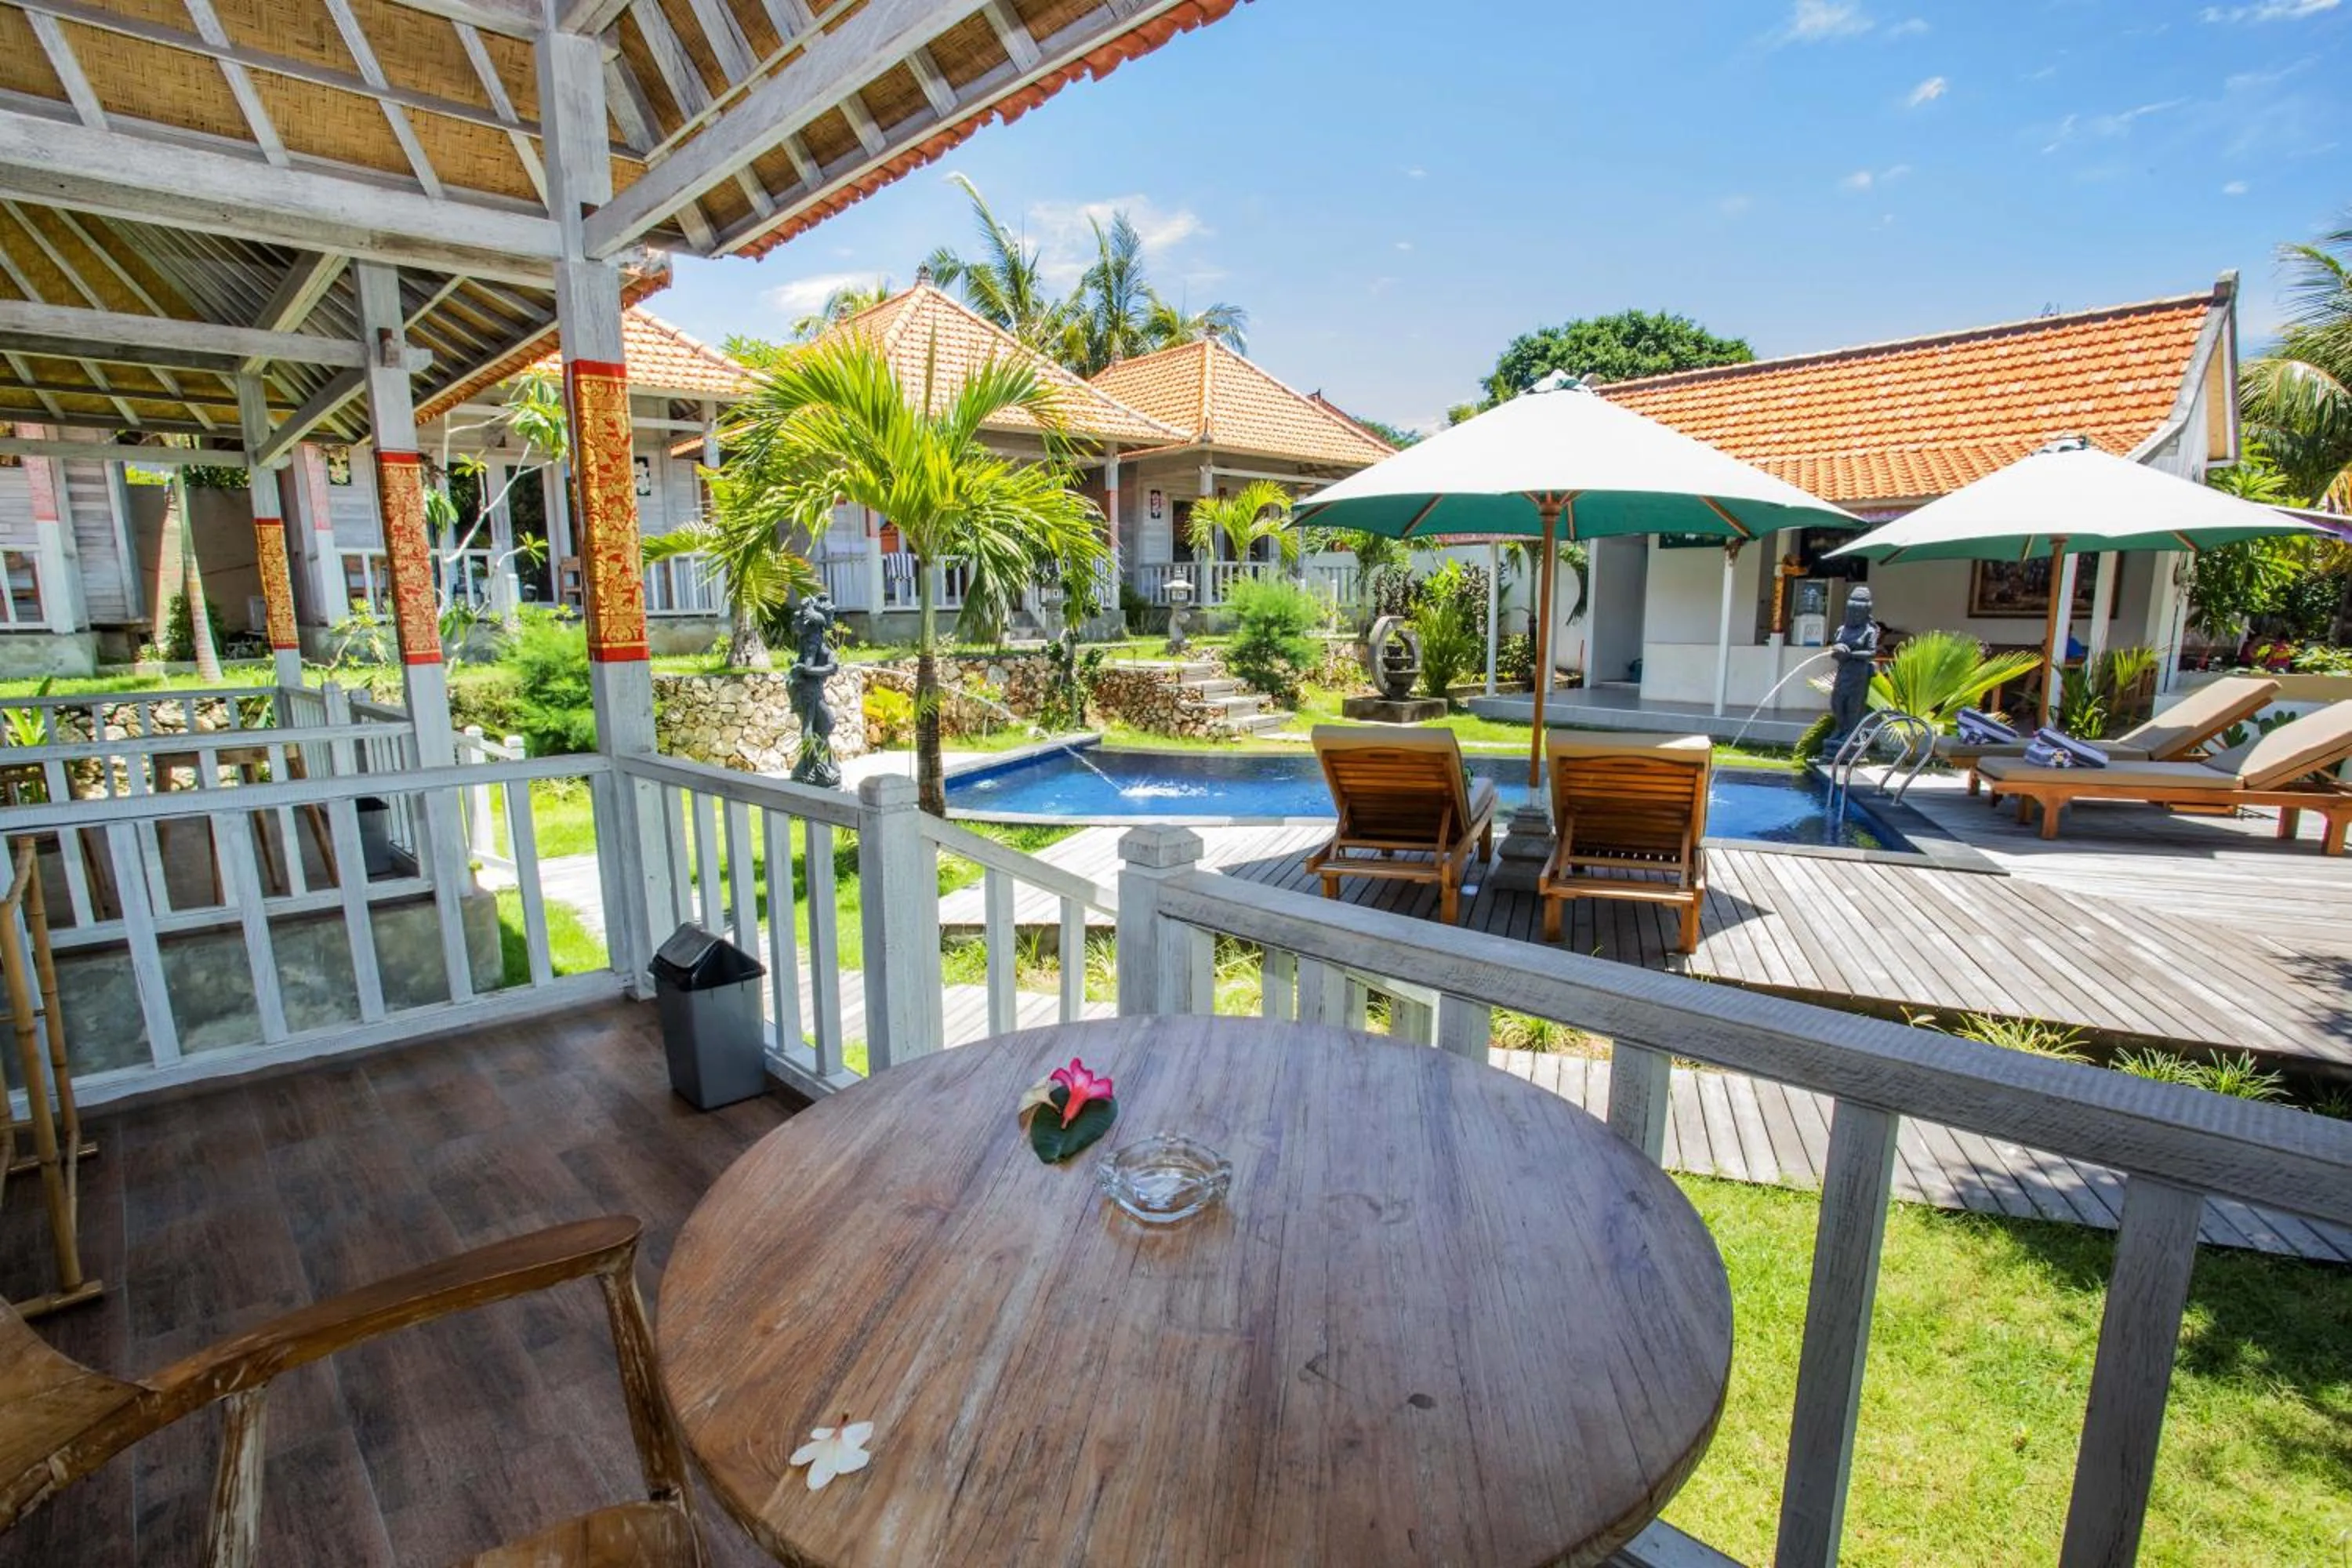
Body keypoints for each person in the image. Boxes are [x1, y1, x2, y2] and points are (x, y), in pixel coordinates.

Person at [788, 591, 842, 787]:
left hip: (815, 691)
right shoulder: (813, 640)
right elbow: (809, 668)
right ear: (822, 618)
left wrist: (832, 664)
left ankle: (815, 766)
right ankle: (813, 768)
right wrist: (829, 667)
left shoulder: (815, 637)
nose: (833, 618)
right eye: (831, 615)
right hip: (810, 692)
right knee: (817, 726)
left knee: (823, 726)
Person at [1824, 585, 1878, 753]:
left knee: (1853, 705)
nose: (1852, 615)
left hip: (1859, 674)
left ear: (1864, 614)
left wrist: (1852, 654)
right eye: (1850, 611)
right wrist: (1838, 649)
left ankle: (1850, 733)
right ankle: (1840, 728)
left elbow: (1871, 652)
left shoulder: (1869, 631)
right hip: (1843, 672)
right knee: (1837, 702)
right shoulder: (1842, 630)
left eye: (1856, 613)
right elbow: (1834, 650)